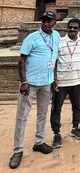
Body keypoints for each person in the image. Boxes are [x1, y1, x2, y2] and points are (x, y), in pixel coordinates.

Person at [9, 12, 60, 170]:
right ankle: (18, 150)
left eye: (48, 21)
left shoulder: (57, 36)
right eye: (43, 20)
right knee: (22, 116)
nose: (45, 23)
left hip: (47, 82)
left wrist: (55, 78)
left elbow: (55, 59)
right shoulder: (32, 38)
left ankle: (39, 141)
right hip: (30, 83)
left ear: (54, 23)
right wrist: (23, 82)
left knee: (42, 113)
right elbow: (21, 60)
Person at [50, 18, 80, 149]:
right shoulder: (59, 42)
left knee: (77, 106)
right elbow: (54, 61)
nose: (72, 29)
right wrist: (54, 78)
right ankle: (57, 133)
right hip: (61, 82)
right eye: (70, 27)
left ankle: (75, 128)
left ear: (79, 29)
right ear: (67, 28)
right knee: (57, 108)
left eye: (75, 28)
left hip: (77, 81)